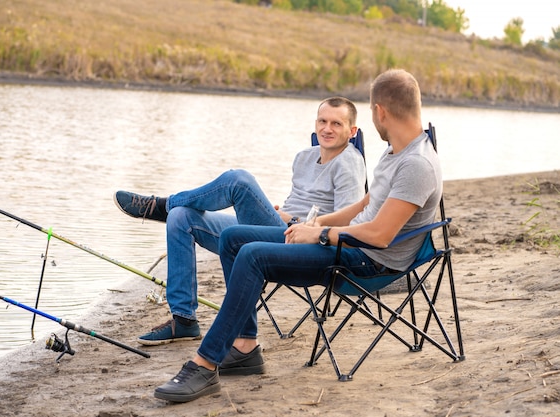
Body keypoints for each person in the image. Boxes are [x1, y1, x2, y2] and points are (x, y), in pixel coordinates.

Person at [153, 68, 442, 403]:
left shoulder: (416, 164)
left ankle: (204, 364)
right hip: (347, 243)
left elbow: (379, 235)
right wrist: (313, 226)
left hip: (365, 261)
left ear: (380, 111)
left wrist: (321, 237)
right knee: (233, 238)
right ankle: (245, 346)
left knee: (252, 254)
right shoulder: (397, 151)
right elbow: (366, 203)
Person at [113, 97, 366, 346]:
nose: (327, 128)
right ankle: (183, 320)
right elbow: (299, 202)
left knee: (239, 181)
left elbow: (346, 224)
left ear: (351, 131)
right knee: (181, 218)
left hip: (303, 244)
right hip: (280, 230)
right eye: (323, 121)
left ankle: (160, 205)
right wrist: (281, 213)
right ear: (315, 123)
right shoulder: (304, 157)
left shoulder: (349, 163)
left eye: (336, 124)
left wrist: (293, 219)